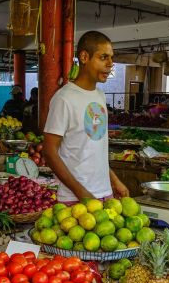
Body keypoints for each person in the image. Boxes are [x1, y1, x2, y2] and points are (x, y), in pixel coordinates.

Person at [43, 30, 129, 203]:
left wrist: (113, 180)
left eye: (111, 58)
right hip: (75, 199)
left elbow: (95, 148)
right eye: (103, 57)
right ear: (84, 57)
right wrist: (81, 193)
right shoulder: (64, 98)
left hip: (105, 193)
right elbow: (49, 152)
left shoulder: (100, 95)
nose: (110, 64)